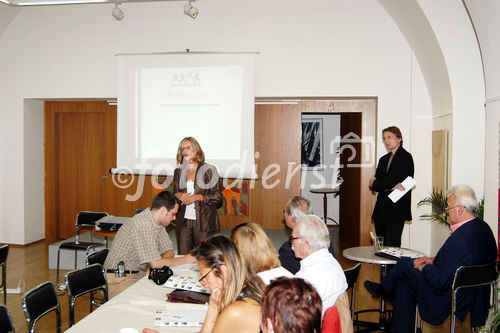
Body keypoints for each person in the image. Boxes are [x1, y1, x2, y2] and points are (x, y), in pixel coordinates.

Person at [364, 184, 497, 333]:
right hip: (470, 293)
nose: (446, 212)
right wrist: (433, 260)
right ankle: (397, 322)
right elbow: (463, 261)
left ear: (460, 209)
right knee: (404, 284)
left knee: (404, 263)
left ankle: (385, 290)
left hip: (448, 297)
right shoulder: (482, 228)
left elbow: (440, 280)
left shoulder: (462, 240)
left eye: (448, 208)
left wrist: (426, 267)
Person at [103, 190, 197, 298]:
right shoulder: (144, 224)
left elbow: (168, 251)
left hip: (135, 275)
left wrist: (157, 265)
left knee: (163, 294)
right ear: (163, 211)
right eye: (173, 214)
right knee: (154, 301)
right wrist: (186, 259)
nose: (175, 218)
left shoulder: (158, 223)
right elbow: (156, 263)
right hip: (118, 279)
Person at [173, 137, 223, 255]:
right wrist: (177, 194)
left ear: (196, 149)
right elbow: (173, 196)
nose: (184, 151)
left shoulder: (209, 170)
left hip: (204, 222)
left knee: (205, 258)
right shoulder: (178, 172)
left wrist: (198, 197)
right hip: (183, 223)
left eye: (188, 147)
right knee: (183, 259)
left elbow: (218, 198)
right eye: (182, 149)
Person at [292, 215, 347, 313]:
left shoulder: (305, 279)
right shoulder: (334, 264)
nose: (291, 243)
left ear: (305, 243)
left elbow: (294, 319)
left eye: (293, 239)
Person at [369, 126, 414, 247]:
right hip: (381, 209)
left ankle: (392, 267)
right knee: (380, 247)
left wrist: (380, 183)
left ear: (399, 138)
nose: (386, 141)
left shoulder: (406, 158)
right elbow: (376, 186)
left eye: (389, 137)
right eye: (384, 138)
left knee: (392, 247)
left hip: (396, 210)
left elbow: (390, 181)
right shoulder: (383, 160)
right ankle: (381, 267)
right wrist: (384, 185)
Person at [278, 196, 335, 274]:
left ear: (291, 219)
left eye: (284, 211)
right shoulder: (324, 240)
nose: (284, 214)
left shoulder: (288, 250)